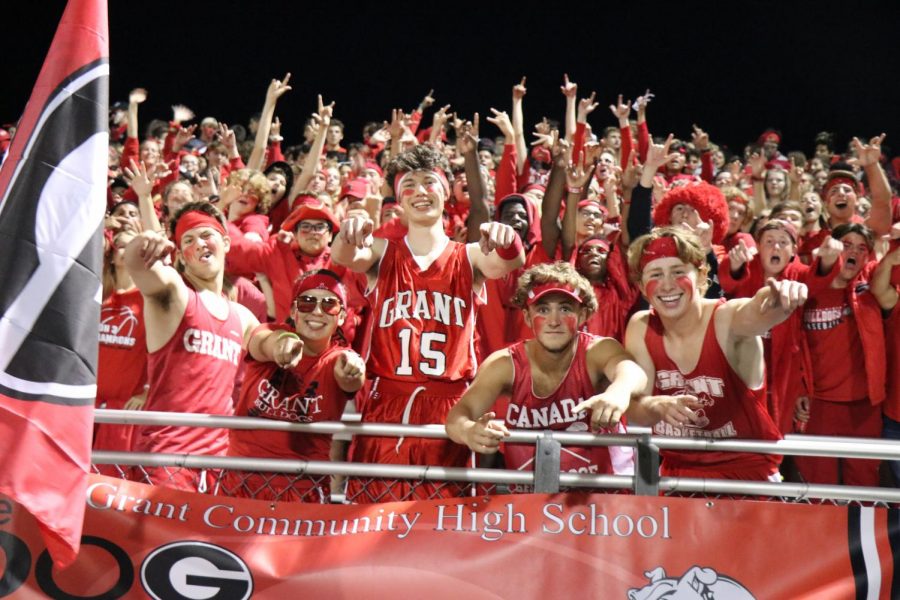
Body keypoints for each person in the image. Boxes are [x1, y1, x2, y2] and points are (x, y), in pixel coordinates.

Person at [331, 144, 525, 502]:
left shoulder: (468, 255)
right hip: (387, 401)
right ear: (398, 197)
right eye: (410, 184)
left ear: (447, 191)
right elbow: (345, 256)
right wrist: (347, 232)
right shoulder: (381, 251)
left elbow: (507, 262)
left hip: (448, 407)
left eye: (429, 182)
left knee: (440, 522)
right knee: (371, 514)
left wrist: (508, 238)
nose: (420, 192)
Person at [446, 262, 696, 489]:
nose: (553, 320)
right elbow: (458, 415)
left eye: (565, 308)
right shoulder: (505, 363)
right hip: (531, 506)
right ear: (527, 317)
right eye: (542, 309)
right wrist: (468, 431)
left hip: (603, 501)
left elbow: (632, 371)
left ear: (583, 315)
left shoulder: (596, 350)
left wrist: (618, 391)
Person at [123, 202, 299, 491]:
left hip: (219, 464)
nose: (199, 244)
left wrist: (285, 344)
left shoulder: (240, 314)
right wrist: (142, 247)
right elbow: (143, 270)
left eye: (206, 235)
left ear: (226, 242)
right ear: (181, 256)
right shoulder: (175, 294)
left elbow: (264, 341)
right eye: (188, 241)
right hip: (167, 460)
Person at [624, 226, 808, 480]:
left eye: (678, 272)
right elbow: (635, 408)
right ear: (643, 288)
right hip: (677, 473)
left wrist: (778, 301)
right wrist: (656, 406)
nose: (667, 285)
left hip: (747, 476)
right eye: (656, 274)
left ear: (701, 276)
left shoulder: (725, 319)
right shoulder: (641, 326)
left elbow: (757, 311)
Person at [223, 270, 365, 502]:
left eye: (329, 304)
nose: (317, 311)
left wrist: (352, 370)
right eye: (307, 302)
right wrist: (281, 345)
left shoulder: (339, 358)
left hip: (303, 491)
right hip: (241, 482)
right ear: (293, 311)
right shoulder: (270, 332)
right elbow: (263, 342)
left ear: (340, 317)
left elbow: (350, 376)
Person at [794, 223, 888, 486]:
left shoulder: (870, 292)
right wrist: (798, 390)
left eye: (861, 248)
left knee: (864, 491)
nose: (854, 253)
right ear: (831, 248)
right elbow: (789, 349)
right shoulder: (805, 290)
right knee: (817, 491)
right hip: (817, 406)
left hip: (864, 408)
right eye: (847, 245)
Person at [95, 231, 147, 475]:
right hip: (86, 404)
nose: (129, 251)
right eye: (123, 246)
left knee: (109, 485)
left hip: (123, 409)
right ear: (112, 255)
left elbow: (162, 351)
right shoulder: (95, 294)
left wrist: (148, 390)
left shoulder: (148, 299)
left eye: (135, 246)